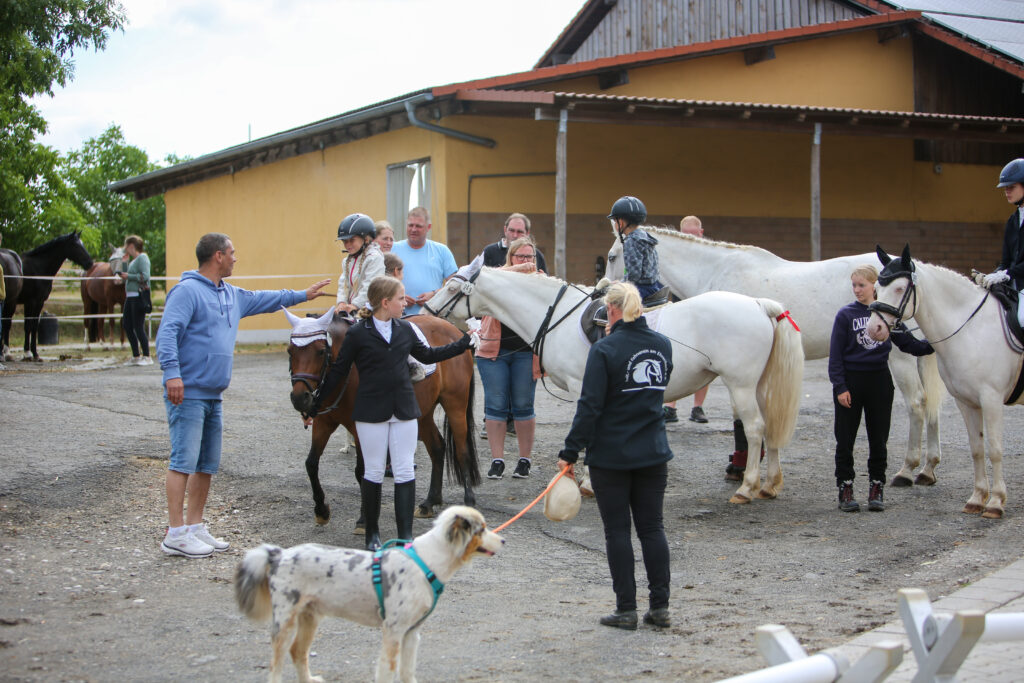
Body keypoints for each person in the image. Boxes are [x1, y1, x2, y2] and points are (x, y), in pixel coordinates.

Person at [157, 233, 330, 558]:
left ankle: (194, 526)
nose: (236, 258)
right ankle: (175, 532)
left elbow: (266, 299)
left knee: (207, 464)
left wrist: (302, 295)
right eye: (232, 253)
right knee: (183, 461)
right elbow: (167, 332)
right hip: (188, 392)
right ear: (218, 256)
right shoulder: (186, 292)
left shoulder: (231, 295)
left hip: (213, 394)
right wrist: (172, 373)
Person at [307, 276, 473, 550]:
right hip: (371, 411)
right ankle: (372, 534)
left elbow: (429, 356)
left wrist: (464, 343)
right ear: (385, 302)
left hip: (405, 409)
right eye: (400, 298)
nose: (404, 302)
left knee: (405, 469)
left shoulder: (405, 330)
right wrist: (314, 406)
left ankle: (405, 536)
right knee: (372, 470)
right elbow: (337, 372)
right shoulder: (358, 334)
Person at [557, 281, 674, 630]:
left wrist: (570, 451)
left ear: (611, 310)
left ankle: (626, 609)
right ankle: (660, 606)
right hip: (653, 450)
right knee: (653, 528)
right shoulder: (663, 344)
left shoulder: (605, 350)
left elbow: (590, 406)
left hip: (612, 454)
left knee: (618, 532)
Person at [829, 264, 934, 513]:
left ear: (874, 287)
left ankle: (877, 487)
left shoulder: (887, 315)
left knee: (879, 440)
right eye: (854, 285)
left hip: (879, 381)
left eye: (861, 285)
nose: (856, 290)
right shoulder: (845, 316)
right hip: (851, 383)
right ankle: (845, 487)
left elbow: (910, 345)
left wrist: (937, 343)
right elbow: (835, 358)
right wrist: (840, 387)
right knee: (845, 440)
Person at [477, 237, 541, 480]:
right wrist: (515, 270)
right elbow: (485, 277)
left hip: (525, 352)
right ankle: (497, 460)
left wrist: (527, 271)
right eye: (520, 256)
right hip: (495, 351)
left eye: (529, 257)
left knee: (524, 405)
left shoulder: (540, 280)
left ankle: (524, 459)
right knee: (495, 405)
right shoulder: (498, 277)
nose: (526, 262)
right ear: (510, 258)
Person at [663, 215, 709, 424]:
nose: (690, 238)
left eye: (693, 234)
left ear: (701, 233)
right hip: (680, 311)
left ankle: (697, 408)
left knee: (706, 358)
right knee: (675, 357)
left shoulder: (710, 255)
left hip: (704, 312)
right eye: (685, 235)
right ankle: (670, 407)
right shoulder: (674, 257)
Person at [391, 207, 458, 315]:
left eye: (418, 226)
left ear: (428, 227)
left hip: (432, 319)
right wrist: (398, 297)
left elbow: (455, 285)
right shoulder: (393, 249)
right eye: (410, 225)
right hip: (398, 320)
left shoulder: (442, 251)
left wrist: (435, 294)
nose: (413, 229)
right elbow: (381, 283)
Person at [981, 159, 1024, 313]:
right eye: (1005, 188)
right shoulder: (1012, 221)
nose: (1007, 191)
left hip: (1021, 285)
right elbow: (1006, 261)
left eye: (1011, 187)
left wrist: (1006, 274)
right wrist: (992, 275)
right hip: (1013, 285)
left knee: (1022, 317)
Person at [608, 196, 663, 300]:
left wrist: (620, 283)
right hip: (655, 286)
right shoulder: (645, 236)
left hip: (641, 289)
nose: (615, 224)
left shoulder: (631, 241)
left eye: (615, 221)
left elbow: (634, 276)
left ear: (620, 223)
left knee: (609, 305)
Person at [334, 213, 385, 316]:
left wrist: (355, 305)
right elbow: (343, 285)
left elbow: (370, 286)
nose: (347, 245)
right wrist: (342, 302)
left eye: (352, 240)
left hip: (369, 310)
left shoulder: (374, 258)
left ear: (366, 239)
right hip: (352, 310)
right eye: (345, 241)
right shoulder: (347, 261)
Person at [117, 235, 153, 365]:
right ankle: (136, 355)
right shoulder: (133, 260)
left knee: (138, 327)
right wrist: (125, 264)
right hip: (130, 296)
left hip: (138, 296)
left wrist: (129, 276)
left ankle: (147, 356)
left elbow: (145, 276)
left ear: (131, 246)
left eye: (126, 246)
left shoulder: (143, 258)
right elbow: (126, 277)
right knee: (127, 325)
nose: (125, 249)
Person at [481, 212, 549, 273]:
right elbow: (482, 275)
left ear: (527, 233)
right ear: (505, 230)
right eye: (511, 230)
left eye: (519, 232)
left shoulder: (537, 254)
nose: (515, 235)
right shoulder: (489, 251)